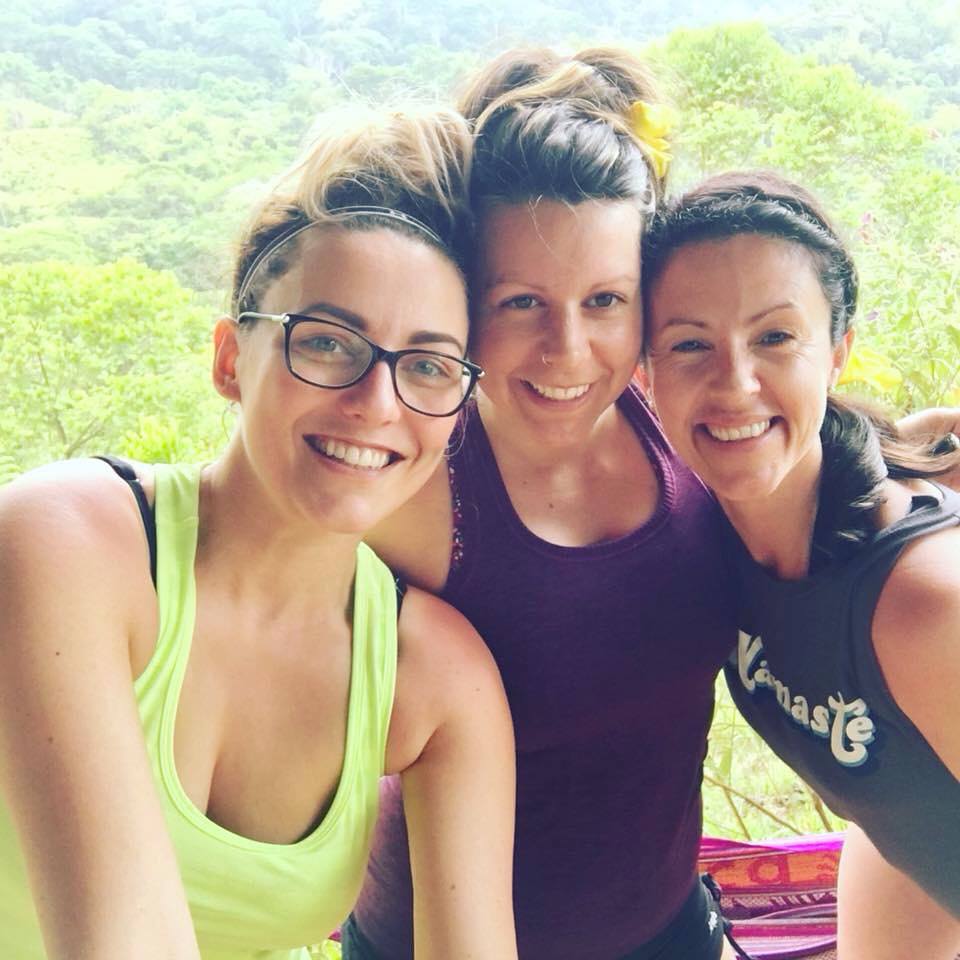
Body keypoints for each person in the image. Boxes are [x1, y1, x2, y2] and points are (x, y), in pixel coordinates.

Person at [0, 105, 518, 960]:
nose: (376, 403)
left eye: (428, 365)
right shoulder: (66, 544)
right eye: (328, 343)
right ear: (230, 359)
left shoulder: (436, 680)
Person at [343, 48, 741, 960]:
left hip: (668, 929)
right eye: (522, 302)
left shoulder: (686, 432)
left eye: (605, 300)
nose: (568, 349)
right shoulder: (409, 485)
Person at [641, 170, 960, 960]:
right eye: (689, 344)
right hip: (900, 845)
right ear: (644, 372)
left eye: (776, 338)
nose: (735, 384)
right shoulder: (704, 527)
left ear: (838, 353)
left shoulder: (925, 605)